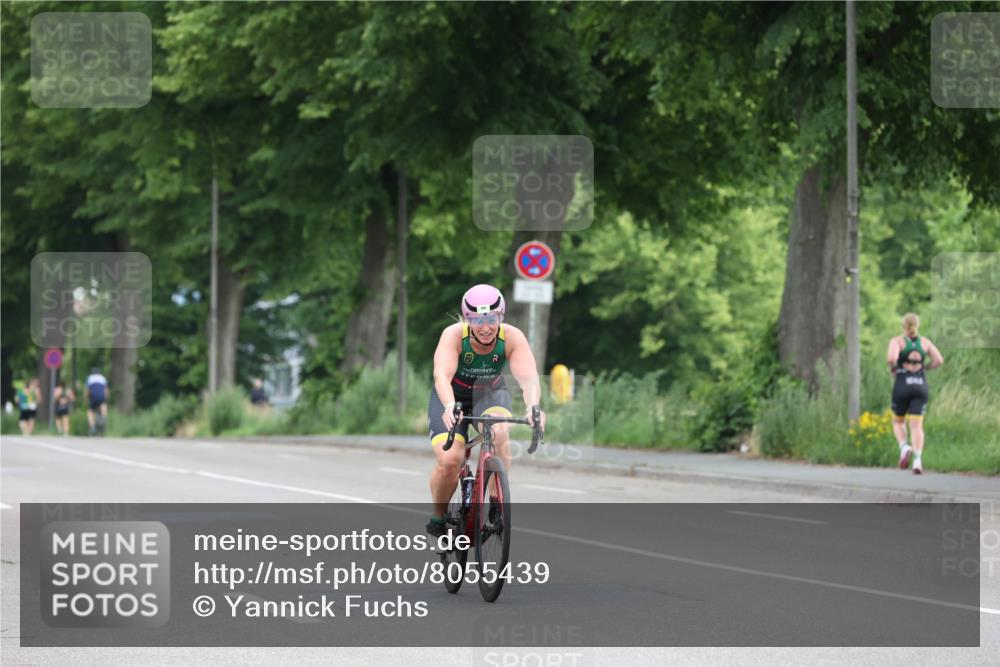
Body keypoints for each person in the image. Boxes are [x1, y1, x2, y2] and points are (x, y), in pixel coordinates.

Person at [426, 284, 546, 537]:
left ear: (500, 317)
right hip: (452, 396)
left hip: (488, 393)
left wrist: (533, 407)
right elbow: (441, 376)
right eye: (477, 320)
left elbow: (529, 379)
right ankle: (438, 516)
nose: (485, 327)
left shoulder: (512, 337)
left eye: (491, 319)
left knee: (500, 432)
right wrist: (449, 405)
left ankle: (495, 503)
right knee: (450, 460)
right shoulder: (453, 335)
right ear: (466, 319)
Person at [886, 313, 943, 475]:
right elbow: (939, 360)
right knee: (917, 426)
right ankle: (917, 460)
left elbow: (891, 358)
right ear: (917, 325)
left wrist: (894, 368)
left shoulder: (897, 341)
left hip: (903, 384)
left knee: (898, 422)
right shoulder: (925, 342)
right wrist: (925, 368)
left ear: (903, 326)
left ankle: (904, 447)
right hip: (920, 385)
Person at [85, 367, 110, 436]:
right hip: (101, 396)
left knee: (90, 411)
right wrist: (106, 399)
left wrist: (87, 399)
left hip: (93, 396)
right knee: (103, 404)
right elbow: (106, 390)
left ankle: (92, 427)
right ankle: (104, 417)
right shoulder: (103, 378)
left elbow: (88, 390)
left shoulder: (90, 378)